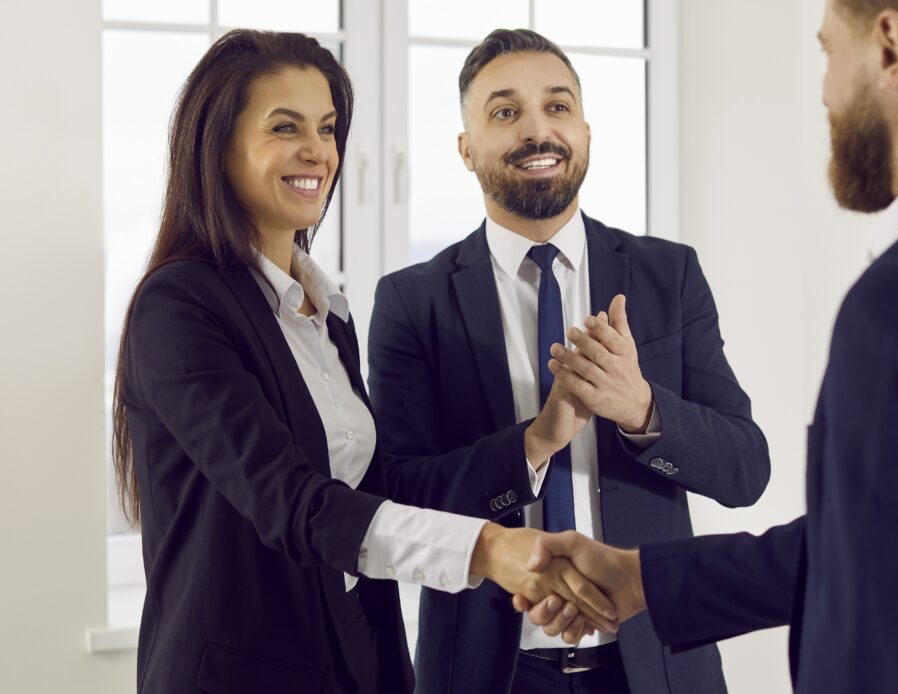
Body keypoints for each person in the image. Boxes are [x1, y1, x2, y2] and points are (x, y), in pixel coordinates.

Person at [515, 1, 898, 690]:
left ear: (890, 46)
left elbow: (876, 649)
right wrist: (644, 579)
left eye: (827, 52)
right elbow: (893, 546)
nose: (824, 90)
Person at [112, 29, 612, 694]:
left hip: (355, 666)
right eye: (284, 127)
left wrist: (538, 440)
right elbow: (293, 503)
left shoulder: (327, 314)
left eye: (327, 128)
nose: (316, 151)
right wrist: (489, 550)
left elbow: (377, 494)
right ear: (219, 147)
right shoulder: (179, 308)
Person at [367, 29, 770, 694]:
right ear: (466, 150)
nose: (537, 130)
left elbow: (746, 469)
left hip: (658, 670)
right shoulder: (413, 301)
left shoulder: (668, 274)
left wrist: (641, 409)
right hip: (488, 674)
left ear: (584, 131)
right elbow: (401, 497)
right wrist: (535, 441)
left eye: (557, 107)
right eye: (505, 112)